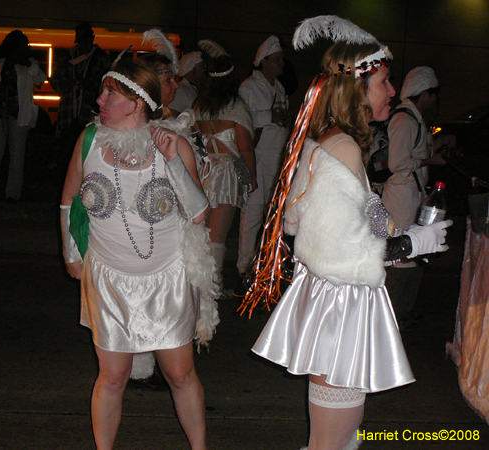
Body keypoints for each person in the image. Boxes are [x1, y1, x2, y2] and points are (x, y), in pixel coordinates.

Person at [242, 16, 453, 450]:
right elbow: (339, 249)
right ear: (358, 89)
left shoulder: (336, 142)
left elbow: (331, 215)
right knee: (333, 442)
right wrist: (411, 243)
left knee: (338, 435)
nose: (392, 92)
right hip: (340, 301)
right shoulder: (341, 148)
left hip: (334, 298)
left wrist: (398, 227)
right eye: (384, 82)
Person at [60, 58, 213, 449]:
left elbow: (198, 213)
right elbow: (68, 201)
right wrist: (71, 253)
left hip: (167, 279)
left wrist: (174, 162)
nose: (99, 99)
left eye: (110, 93)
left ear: (138, 102)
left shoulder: (172, 143)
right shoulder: (89, 141)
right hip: (108, 279)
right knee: (111, 378)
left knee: (180, 375)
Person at [381, 66, 456, 328]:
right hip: (401, 196)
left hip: (412, 193)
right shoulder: (404, 120)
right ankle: (390, 315)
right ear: (422, 93)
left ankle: (402, 310)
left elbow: (415, 151)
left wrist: (439, 143)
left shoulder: (415, 119)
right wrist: (430, 159)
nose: (435, 99)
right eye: (433, 94)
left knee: (414, 255)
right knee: (402, 258)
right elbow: (397, 163)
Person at [193, 53, 257, 292]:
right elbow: (245, 147)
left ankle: (199, 285)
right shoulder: (236, 107)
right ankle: (212, 289)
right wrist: (251, 176)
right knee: (217, 236)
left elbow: (195, 140)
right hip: (227, 172)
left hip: (202, 168)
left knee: (201, 233)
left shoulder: (199, 105)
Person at [237, 35, 291, 283]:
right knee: (252, 216)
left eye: (282, 59)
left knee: (272, 218)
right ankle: (243, 268)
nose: (281, 63)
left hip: (276, 159)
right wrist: (269, 116)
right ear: (264, 61)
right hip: (256, 157)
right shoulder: (249, 86)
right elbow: (243, 122)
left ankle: (265, 266)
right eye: (277, 59)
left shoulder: (279, 87)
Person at [0, 30, 47, 202]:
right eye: (22, 45)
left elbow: (41, 80)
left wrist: (28, 64)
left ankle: (12, 195)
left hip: (20, 117)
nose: (25, 48)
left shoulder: (30, 65)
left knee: (17, 155)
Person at [50, 22, 110, 162]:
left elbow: (109, 87)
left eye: (86, 41)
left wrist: (91, 85)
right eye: (81, 42)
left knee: (88, 156)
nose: (83, 46)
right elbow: (55, 82)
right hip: (68, 116)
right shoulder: (66, 57)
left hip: (90, 116)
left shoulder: (101, 58)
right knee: (66, 156)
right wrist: (66, 83)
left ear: (92, 39)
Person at [168, 51, 207, 116]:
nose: (205, 69)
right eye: (201, 66)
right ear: (192, 70)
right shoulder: (180, 91)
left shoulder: (194, 89)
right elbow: (171, 116)